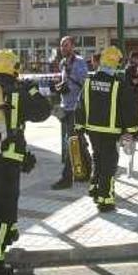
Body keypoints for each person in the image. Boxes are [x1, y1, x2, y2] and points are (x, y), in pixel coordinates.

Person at [0, 50, 51, 275]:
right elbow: (44, 112)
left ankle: (10, 232)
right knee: (3, 210)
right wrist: (32, 89)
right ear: (14, 68)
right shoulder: (19, 92)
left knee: (3, 201)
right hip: (9, 159)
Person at [75, 46, 138, 212]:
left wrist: (80, 127)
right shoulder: (118, 84)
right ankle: (106, 199)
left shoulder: (89, 82)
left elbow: (80, 106)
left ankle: (95, 188)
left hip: (93, 131)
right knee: (109, 165)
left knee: (97, 158)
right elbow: (129, 109)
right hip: (111, 132)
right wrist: (132, 131)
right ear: (116, 64)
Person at [52, 36, 88, 190]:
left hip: (75, 108)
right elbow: (66, 83)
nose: (63, 48)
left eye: (66, 45)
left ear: (73, 46)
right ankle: (87, 171)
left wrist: (69, 78)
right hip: (65, 107)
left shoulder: (79, 62)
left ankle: (67, 178)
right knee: (78, 140)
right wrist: (59, 85)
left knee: (71, 141)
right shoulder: (62, 63)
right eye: (61, 46)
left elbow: (83, 82)